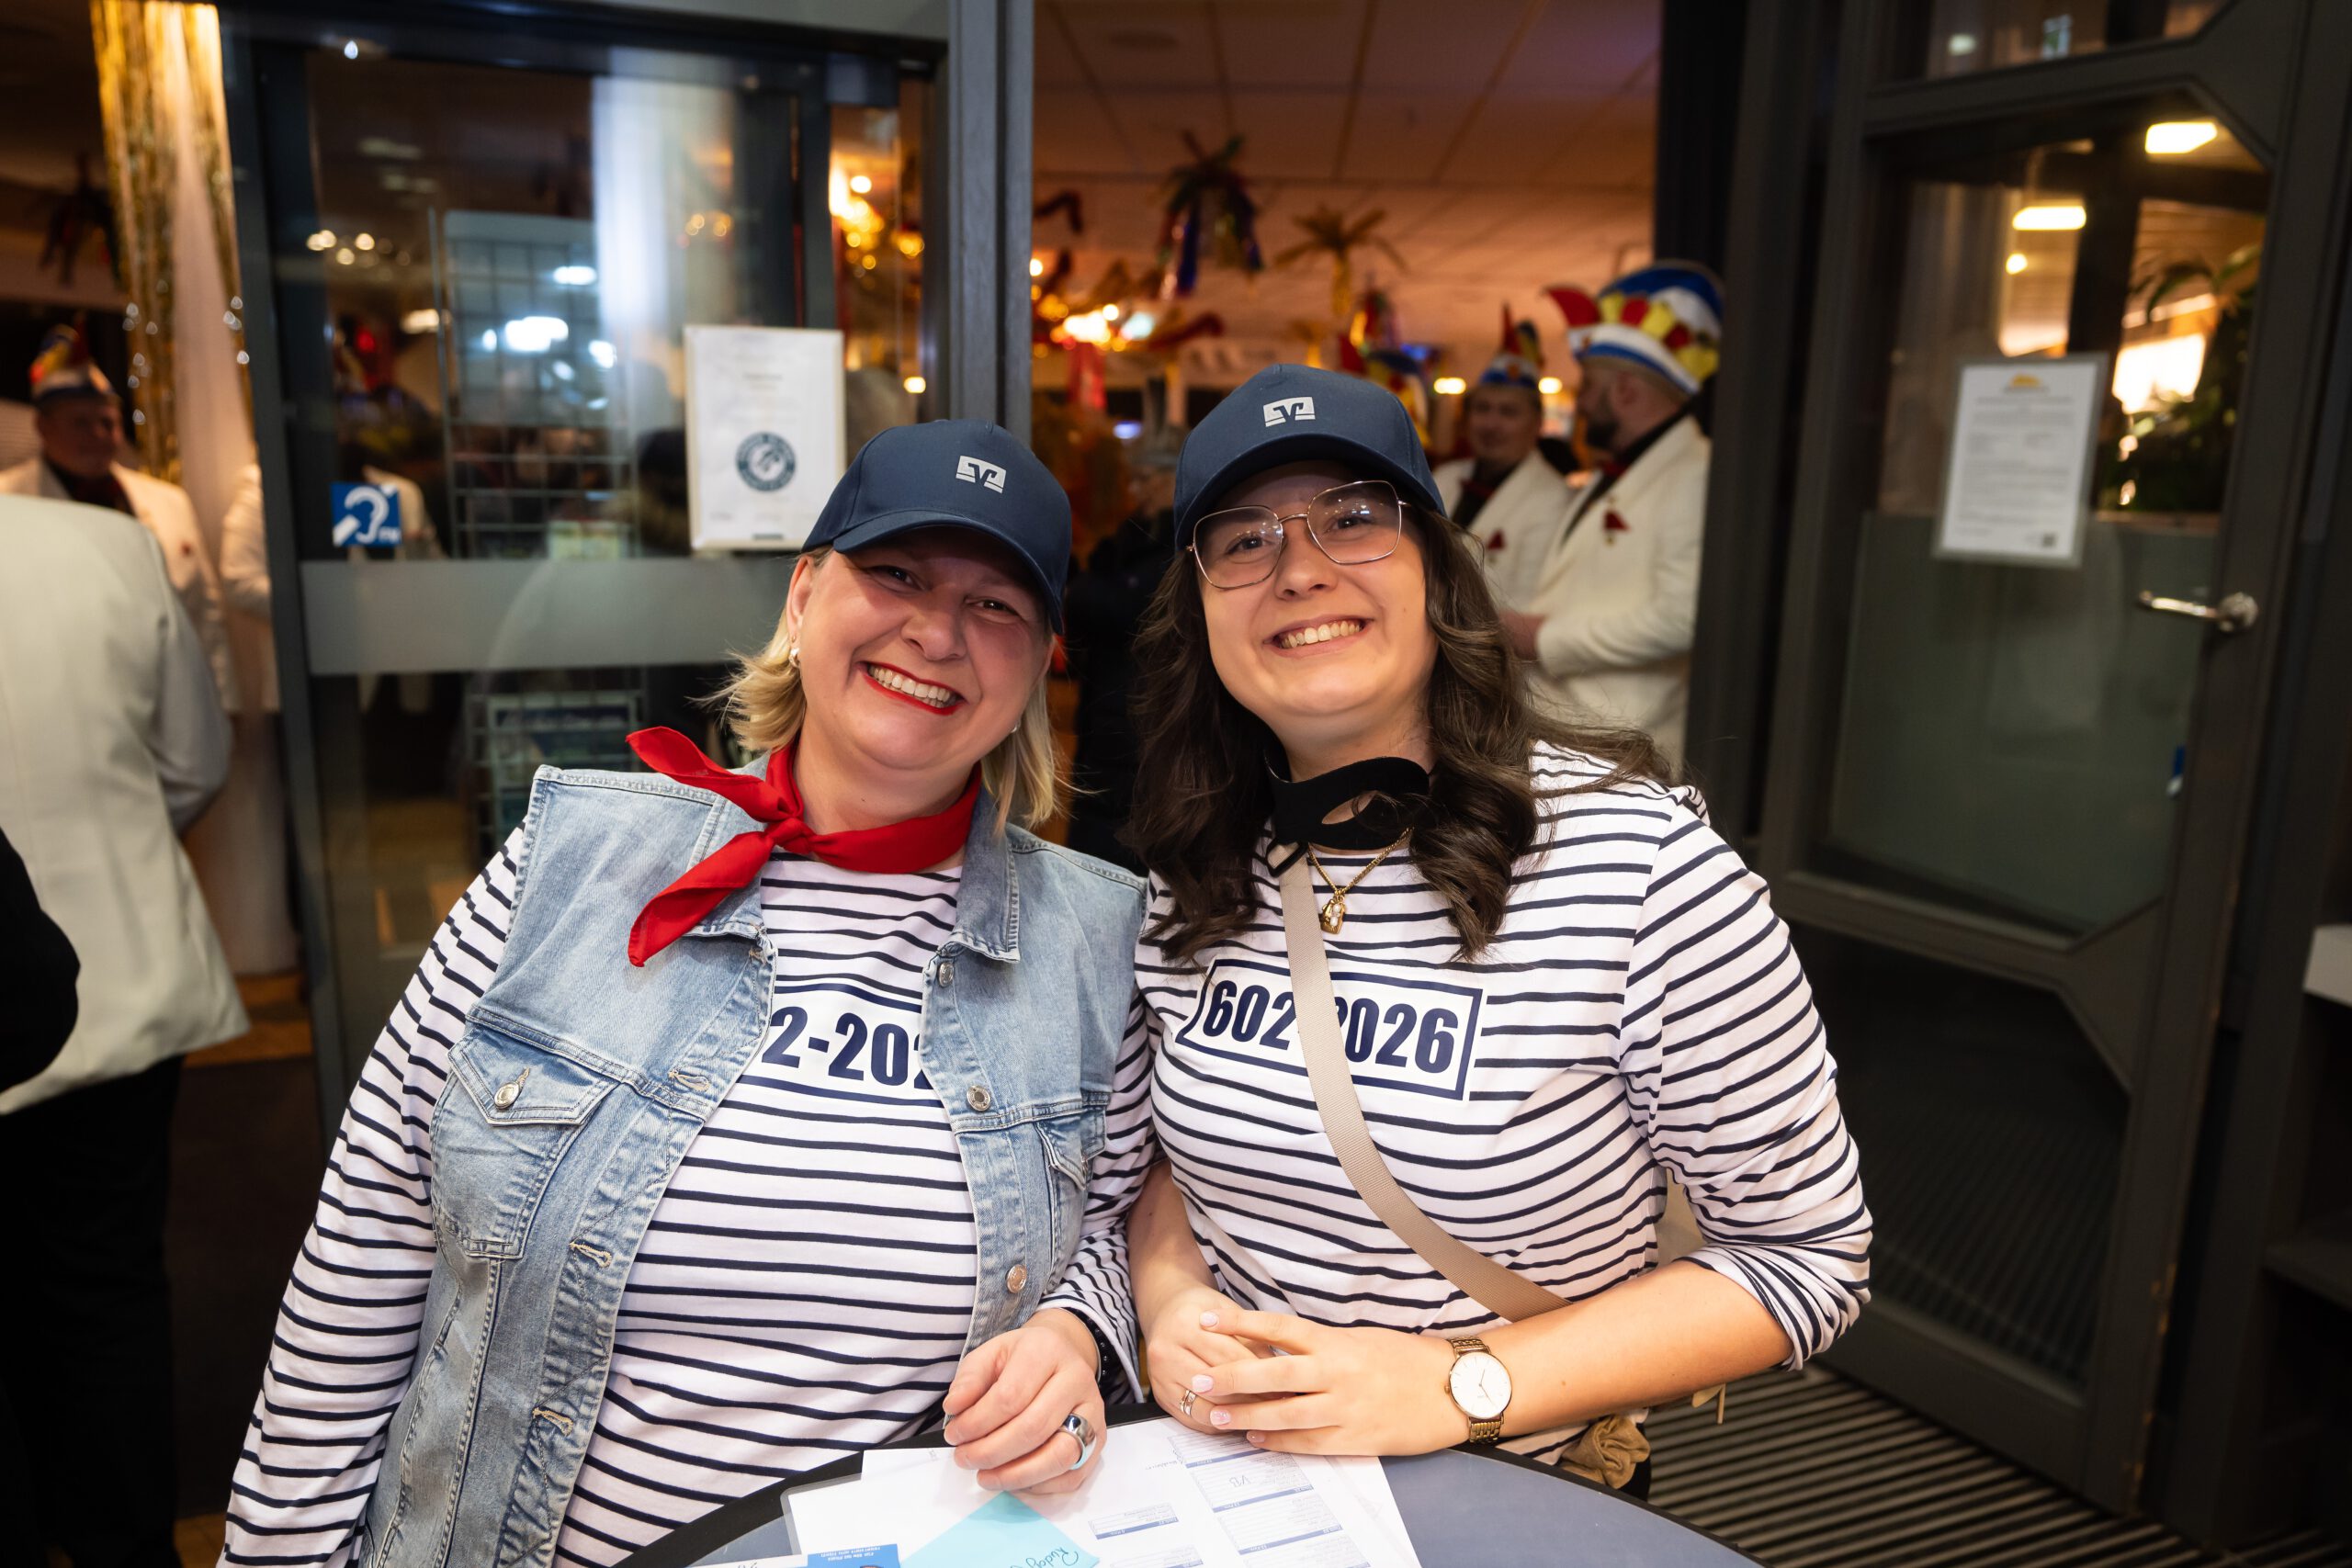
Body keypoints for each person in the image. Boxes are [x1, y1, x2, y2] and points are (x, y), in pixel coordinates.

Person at [222, 421, 1153, 1568]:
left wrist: (1075, 1330)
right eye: (897, 573)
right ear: (804, 595)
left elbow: (1115, 1222)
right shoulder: (563, 866)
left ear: (1042, 663)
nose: (936, 631)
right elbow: (366, 1250)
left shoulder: (1093, 944)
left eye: (995, 604)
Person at [1052, 365, 1867, 1490]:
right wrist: (1170, 1295)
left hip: (1506, 1493)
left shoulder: (1642, 872)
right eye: (1242, 541)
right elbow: (1170, 1165)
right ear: (1198, 614)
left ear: (1439, 572)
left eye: (1352, 518)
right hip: (1233, 1491)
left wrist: (1457, 1384)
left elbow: (1805, 1260)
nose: (1299, 568)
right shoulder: (1191, 869)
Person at [0, 491, 244, 1568]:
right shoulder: (100, 544)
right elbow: (194, 761)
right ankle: (129, 1545)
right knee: (106, 1286)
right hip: (116, 974)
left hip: (70, 990)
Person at [1502, 264, 1724, 767]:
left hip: (1624, 742)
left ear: (1624, 391)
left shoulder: (1696, 471)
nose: (1579, 404)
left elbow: (1681, 618)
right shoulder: (1617, 472)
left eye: (1587, 386)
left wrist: (1542, 638)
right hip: (1572, 734)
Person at [0, 325, 239, 712]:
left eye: (108, 423)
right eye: (80, 423)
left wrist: (224, 702)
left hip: (167, 700)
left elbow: (206, 613)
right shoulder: (8, 502)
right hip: (56, 703)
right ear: (43, 427)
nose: (98, 435)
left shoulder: (168, 501)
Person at [1063, 428, 1182, 871]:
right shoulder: (1139, 535)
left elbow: (1123, 605)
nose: (1136, 490)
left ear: (1169, 480)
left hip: (1147, 728)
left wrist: (1082, 592)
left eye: (1144, 479)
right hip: (1113, 720)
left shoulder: (1180, 543)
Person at [1431, 321, 1568, 611]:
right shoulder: (1444, 477)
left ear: (1537, 424)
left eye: (1509, 412)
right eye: (1483, 409)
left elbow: (1526, 604)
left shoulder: (1553, 497)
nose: (1491, 424)